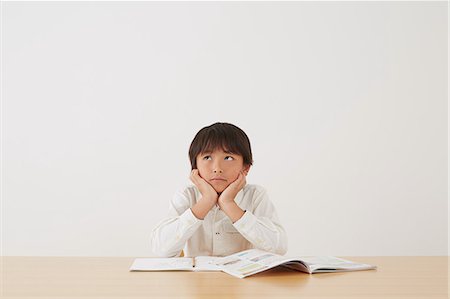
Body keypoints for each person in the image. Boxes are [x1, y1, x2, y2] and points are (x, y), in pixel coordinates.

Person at [149, 122, 287, 257]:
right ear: (195, 166)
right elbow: (161, 249)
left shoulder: (256, 195)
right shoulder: (187, 195)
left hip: (242, 279)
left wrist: (228, 203)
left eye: (228, 157)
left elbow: (278, 248)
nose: (217, 168)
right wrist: (206, 201)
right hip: (197, 279)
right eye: (207, 157)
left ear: (245, 167)